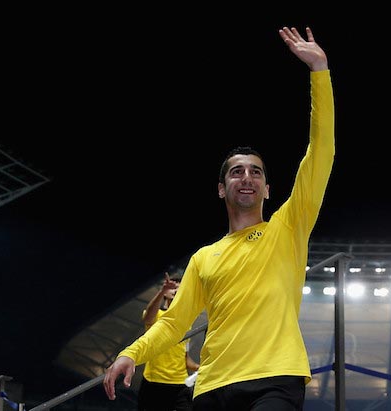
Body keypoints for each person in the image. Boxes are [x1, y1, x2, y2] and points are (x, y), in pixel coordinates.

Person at [104, 25, 333, 411]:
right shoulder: (203, 258)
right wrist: (132, 353)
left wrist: (320, 72)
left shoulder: (288, 227)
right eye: (237, 171)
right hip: (212, 387)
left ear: (267, 190)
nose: (247, 177)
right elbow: (173, 324)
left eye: (256, 172)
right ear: (222, 189)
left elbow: (321, 151)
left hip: (274, 379)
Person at [137, 272, 200, 411]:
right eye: (172, 287)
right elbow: (148, 318)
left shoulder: (186, 321)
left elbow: (184, 357)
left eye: (179, 287)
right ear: (165, 292)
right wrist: (162, 291)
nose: (176, 289)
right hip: (154, 382)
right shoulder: (157, 315)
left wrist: (198, 367)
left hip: (180, 382)